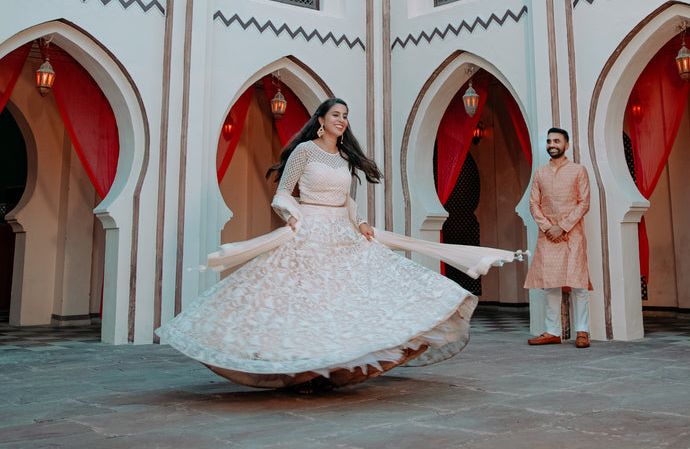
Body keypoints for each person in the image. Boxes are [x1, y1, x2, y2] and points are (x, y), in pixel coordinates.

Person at [156, 98, 480, 389]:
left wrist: (361, 221)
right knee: (308, 302)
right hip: (309, 232)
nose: (341, 120)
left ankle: (331, 367)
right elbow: (283, 193)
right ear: (321, 120)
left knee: (343, 301)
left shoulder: (343, 157)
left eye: (346, 116)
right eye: (335, 114)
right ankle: (304, 370)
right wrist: (292, 216)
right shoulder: (304, 150)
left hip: (342, 234)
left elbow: (346, 200)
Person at [524, 127, 593, 348]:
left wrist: (562, 227)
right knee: (549, 284)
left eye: (556, 140)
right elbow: (534, 203)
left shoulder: (578, 170)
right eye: (549, 141)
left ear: (566, 144)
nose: (552, 144)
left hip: (572, 234)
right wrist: (548, 228)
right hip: (548, 236)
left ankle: (582, 331)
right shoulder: (540, 173)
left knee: (578, 284)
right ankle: (552, 331)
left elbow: (584, 203)